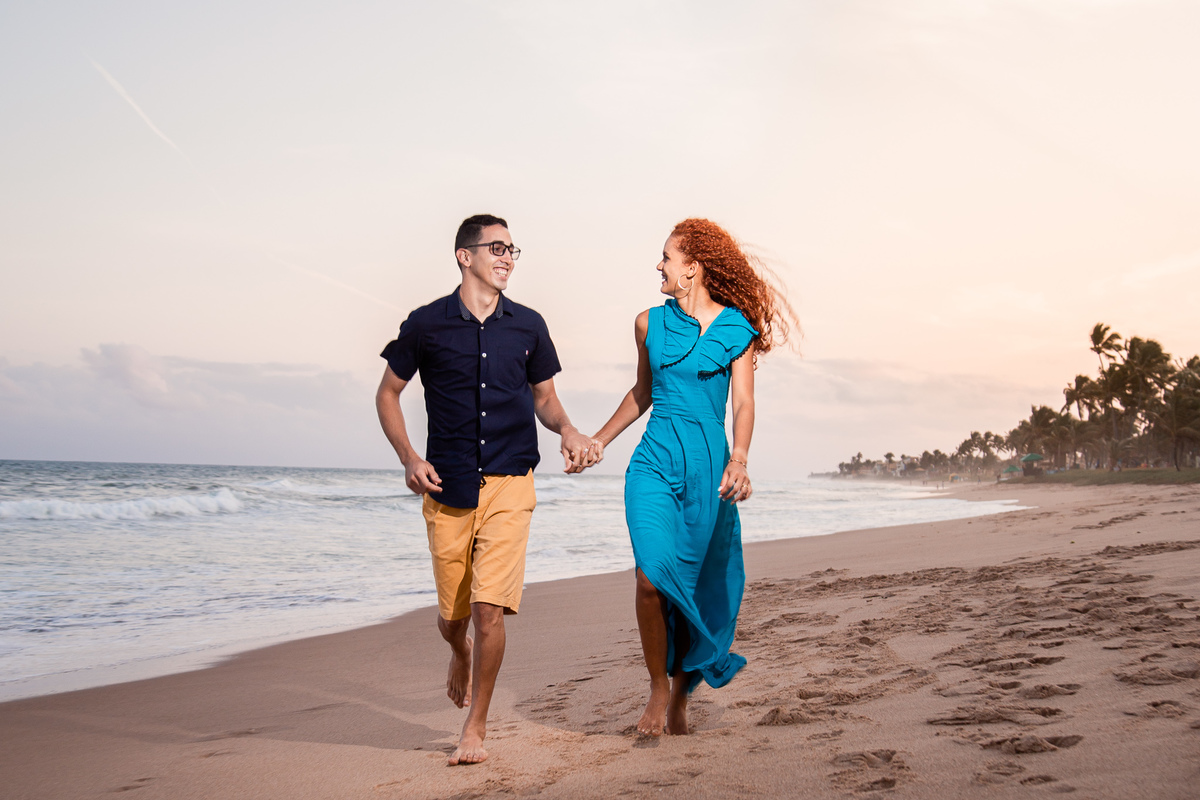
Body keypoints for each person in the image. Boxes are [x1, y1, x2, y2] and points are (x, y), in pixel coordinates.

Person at [375, 214, 600, 765]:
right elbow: (387, 395)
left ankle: (475, 727)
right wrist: (409, 458)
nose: (508, 257)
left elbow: (545, 399)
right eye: (496, 247)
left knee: (489, 610)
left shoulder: (529, 326)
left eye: (512, 249)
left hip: (511, 483)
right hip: (446, 487)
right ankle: (458, 652)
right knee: (454, 619)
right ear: (464, 255)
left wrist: (568, 429)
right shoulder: (426, 324)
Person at [590, 218, 794, 736]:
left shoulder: (737, 330)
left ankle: (681, 692)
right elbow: (642, 394)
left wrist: (740, 460)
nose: (658, 265)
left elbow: (744, 404)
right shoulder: (647, 323)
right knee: (650, 575)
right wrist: (599, 440)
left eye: (665, 256)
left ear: (692, 267)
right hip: (655, 461)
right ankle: (658, 687)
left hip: (708, 468)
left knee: (696, 587)